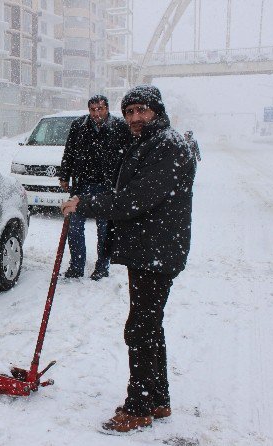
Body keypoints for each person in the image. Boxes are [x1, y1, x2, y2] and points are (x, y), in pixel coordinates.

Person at [61, 85, 196, 434]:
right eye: (130, 111)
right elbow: (121, 181)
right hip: (151, 249)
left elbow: (135, 199)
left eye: (142, 111)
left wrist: (85, 205)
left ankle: (138, 408)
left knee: (140, 328)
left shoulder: (166, 146)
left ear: (157, 111)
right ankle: (158, 398)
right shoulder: (149, 141)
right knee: (150, 326)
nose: (135, 118)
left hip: (156, 251)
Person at [58, 94, 130, 280]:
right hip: (82, 184)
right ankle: (76, 265)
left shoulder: (120, 127)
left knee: (104, 229)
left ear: (107, 108)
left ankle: (102, 266)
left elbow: (128, 156)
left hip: (107, 187)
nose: (97, 113)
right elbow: (69, 152)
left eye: (100, 109)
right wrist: (65, 176)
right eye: (93, 110)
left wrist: (124, 182)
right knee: (74, 227)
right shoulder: (79, 126)